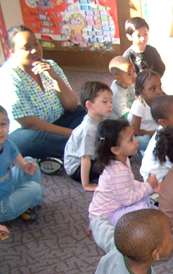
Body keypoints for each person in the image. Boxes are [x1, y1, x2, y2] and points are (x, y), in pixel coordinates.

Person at [0, 25, 86, 171]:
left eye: (36, 43)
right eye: (26, 48)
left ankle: (71, 151)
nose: (35, 50)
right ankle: (84, 148)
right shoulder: (9, 76)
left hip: (58, 121)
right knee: (25, 141)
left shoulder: (49, 64)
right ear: (13, 53)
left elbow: (71, 106)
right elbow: (31, 124)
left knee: (84, 111)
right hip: (30, 132)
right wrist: (74, 134)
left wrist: (55, 77)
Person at [88, 119, 160, 226]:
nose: (136, 141)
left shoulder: (123, 159)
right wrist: (148, 187)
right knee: (142, 209)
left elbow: (129, 183)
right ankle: (99, 227)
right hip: (106, 216)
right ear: (116, 149)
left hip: (114, 206)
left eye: (134, 136)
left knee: (146, 198)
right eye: (131, 139)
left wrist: (146, 186)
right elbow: (128, 200)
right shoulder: (118, 171)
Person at [64, 81, 112, 191]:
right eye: (105, 102)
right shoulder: (88, 130)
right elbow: (85, 159)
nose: (110, 105)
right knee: (110, 163)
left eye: (111, 101)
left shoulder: (100, 118)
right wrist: (86, 185)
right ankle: (92, 180)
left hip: (93, 156)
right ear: (89, 105)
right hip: (77, 168)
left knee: (122, 147)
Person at [0, 105, 44, 227]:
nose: (0, 130)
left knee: (29, 161)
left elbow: (14, 154)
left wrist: (24, 166)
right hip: (2, 206)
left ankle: (30, 203)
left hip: (8, 188)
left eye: (2, 124)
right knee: (34, 188)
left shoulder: (6, 143)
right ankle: (30, 202)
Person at [140, 95, 173, 182]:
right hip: (157, 180)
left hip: (166, 171)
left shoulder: (170, 130)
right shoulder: (165, 142)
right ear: (163, 122)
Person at [129, 70, 163, 153]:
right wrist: (153, 134)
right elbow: (135, 130)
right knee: (144, 141)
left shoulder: (159, 101)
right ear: (141, 91)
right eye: (153, 89)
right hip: (142, 135)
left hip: (155, 132)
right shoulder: (139, 105)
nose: (159, 91)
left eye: (160, 87)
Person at [109, 56, 137, 120]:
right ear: (118, 78)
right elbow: (126, 116)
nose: (134, 75)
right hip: (119, 121)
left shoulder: (129, 82)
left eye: (134, 71)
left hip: (131, 111)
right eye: (128, 74)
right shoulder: (117, 94)